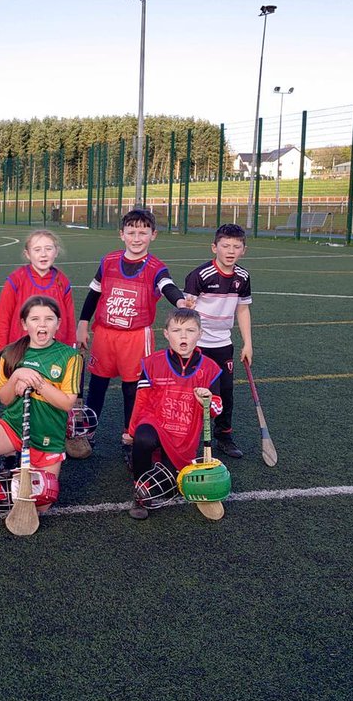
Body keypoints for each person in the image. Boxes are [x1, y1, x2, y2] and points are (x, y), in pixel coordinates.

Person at [74, 208, 185, 464]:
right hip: (105, 334)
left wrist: (179, 301)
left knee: (133, 390)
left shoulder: (156, 267)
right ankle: (88, 432)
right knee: (97, 386)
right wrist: (83, 323)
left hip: (136, 338)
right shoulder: (109, 261)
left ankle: (130, 437)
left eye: (143, 233)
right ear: (121, 234)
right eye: (131, 232)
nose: (137, 238)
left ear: (153, 235)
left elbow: (166, 286)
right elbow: (94, 294)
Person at [0, 296, 80, 520]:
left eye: (48, 319)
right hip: (14, 426)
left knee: (40, 506)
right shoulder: (11, 352)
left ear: (58, 323)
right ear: (25, 324)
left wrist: (37, 381)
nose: (42, 324)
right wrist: (17, 376)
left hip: (48, 436)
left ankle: (17, 470)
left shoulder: (69, 356)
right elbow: (4, 399)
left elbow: (67, 402)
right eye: (35, 319)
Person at [126, 308, 223, 519]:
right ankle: (140, 491)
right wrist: (132, 432)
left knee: (169, 486)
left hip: (185, 433)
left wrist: (207, 401)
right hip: (156, 422)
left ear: (200, 333)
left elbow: (217, 409)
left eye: (190, 330)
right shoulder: (152, 363)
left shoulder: (211, 368)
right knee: (143, 438)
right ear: (166, 333)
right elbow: (141, 400)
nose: (184, 336)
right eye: (177, 330)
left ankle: (160, 462)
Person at [183, 223, 253, 459]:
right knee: (194, 391)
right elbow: (187, 312)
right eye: (225, 246)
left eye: (236, 246)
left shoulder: (243, 277)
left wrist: (247, 343)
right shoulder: (200, 275)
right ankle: (190, 436)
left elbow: (242, 310)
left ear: (244, 249)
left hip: (223, 344)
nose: (230, 251)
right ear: (214, 247)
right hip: (198, 345)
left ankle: (224, 435)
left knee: (225, 392)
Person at [0, 229, 76, 375]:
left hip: (53, 352)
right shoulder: (16, 280)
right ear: (27, 254)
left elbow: (69, 320)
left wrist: (71, 350)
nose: (43, 254)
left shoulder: (62, 281)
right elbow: (3, 317)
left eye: (48, 248)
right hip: (21, 351)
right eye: (37, 249)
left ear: (56, 251)